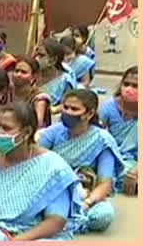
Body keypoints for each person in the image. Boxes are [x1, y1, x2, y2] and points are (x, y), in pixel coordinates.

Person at [0, 103, 80, 240]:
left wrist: (18, 240)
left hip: (34, 235)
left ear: (27, 132)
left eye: (6, 128)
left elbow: (56, 221)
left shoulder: (53, 167)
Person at [39, 89, 125, 233]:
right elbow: (33, 161)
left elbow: (105, 183)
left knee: (102, 216)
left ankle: (59, 219)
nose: (68, 112)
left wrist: (86, 203)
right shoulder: (54, 132)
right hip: (52, 188)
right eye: (65, 107)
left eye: (74, 109)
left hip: (85, 193)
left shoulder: (102, 140)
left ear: (89, 113)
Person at [99, 66, 137, 195]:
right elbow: (95, 136)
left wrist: (136, 170)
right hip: (113, 155)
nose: (129, 89)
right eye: (126, 84)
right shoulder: (109, 107)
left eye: (136, 86)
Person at [10, 57, 52, 129]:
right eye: (16, 71)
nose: (18, 74)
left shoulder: (39, 99)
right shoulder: (6, 92)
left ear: (34, 76)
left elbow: (37, 125)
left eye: (24, 72)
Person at [37, 38, 76, 108]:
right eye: (36, 55)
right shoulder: (32, 76)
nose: (37, 59)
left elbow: (68, 104)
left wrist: (53, 110)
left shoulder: (65, 80)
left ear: (53, 60)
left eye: (41, 56)